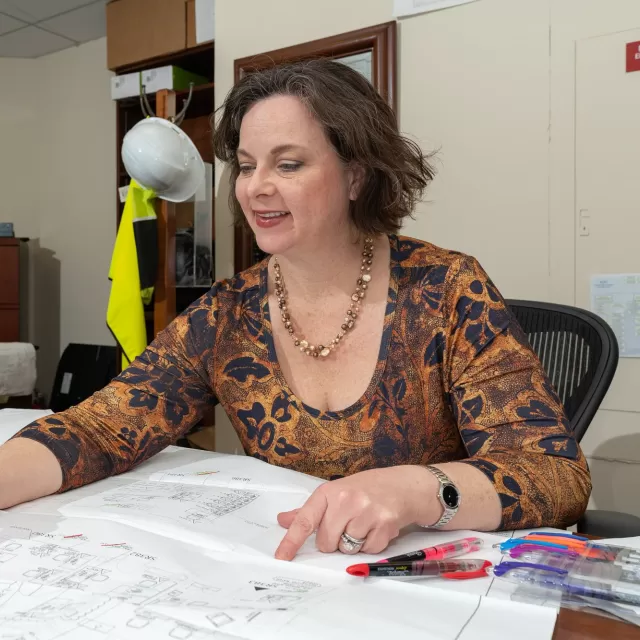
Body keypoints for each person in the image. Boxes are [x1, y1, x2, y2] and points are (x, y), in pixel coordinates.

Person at [0, 59, 590, 561]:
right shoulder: (226, 314)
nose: (256, 187)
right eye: (247, 165)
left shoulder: (445, 289)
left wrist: (421, 489)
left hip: (424, 577)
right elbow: (100, 428)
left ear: (356, 174)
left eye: (288, 164)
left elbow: (553, 472)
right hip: (295, 574)